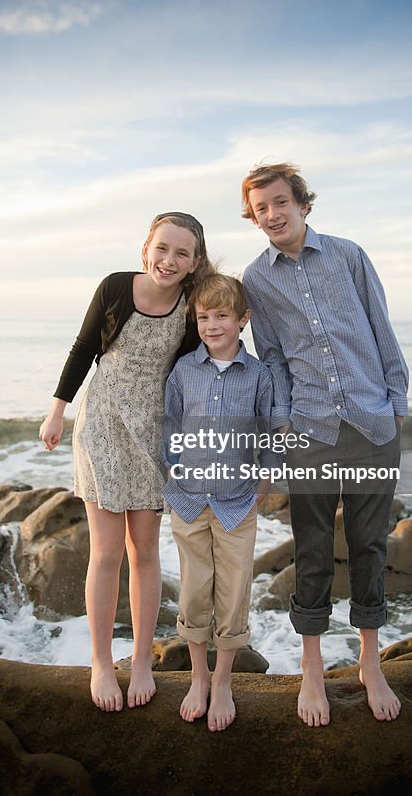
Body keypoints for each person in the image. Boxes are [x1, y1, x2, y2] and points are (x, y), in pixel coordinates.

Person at [240, 163, 408, 726]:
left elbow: (381, 329)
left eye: (280, 202)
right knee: (311, 553)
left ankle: (369, 660)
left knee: (368, 545)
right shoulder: (256, 280)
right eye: (261, 208)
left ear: (303, 204)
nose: (272, 214)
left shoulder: (349, 255)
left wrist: (397, 405)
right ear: (254, 216)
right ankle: (312, 669)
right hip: (309, 433)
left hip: (371, 426)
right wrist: (284, 422)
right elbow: (273, 357)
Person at [38, 212, 213, 713]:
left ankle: (140, 661)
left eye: (182, 253)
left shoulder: (191, 307)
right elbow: (82, 348)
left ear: (194, 262)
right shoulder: (115, 287)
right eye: (163, 248)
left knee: (146, 550)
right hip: (102, 425)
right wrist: (57, 411)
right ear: (146, 248)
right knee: (107, 551)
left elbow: (201, 368)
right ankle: (99, 661)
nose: (169, 259)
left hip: (154, 431)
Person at [162, 274, 281, 731]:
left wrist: (266, 474)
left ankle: (224, 680)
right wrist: (171, 467)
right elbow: (170, 424)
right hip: (189, 500)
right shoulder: (184, 371)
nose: (211, 325)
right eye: (203, 317)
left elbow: (271, 429)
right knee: (194, 590)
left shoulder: (258, 376)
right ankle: (197, 678)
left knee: (233, 593)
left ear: (242, 320)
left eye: (222, 316)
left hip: (236, 502)